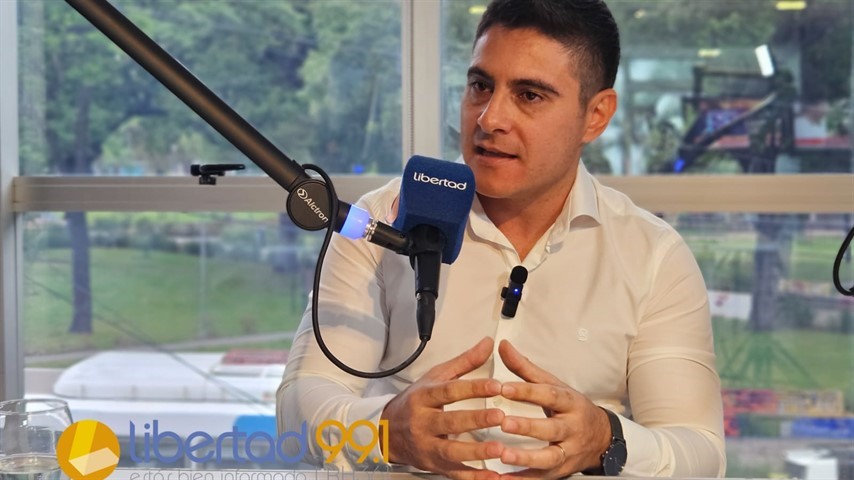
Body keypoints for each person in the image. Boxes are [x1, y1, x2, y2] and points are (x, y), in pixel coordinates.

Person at [277, 0, 726, 478]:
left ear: (596, 115)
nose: (489, 119)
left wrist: (605, 439)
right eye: (481, 86)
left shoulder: (653, 256)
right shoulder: (376, 222)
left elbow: (701, 455)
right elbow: (296, 413)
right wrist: (387, 431)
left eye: (529, 95)